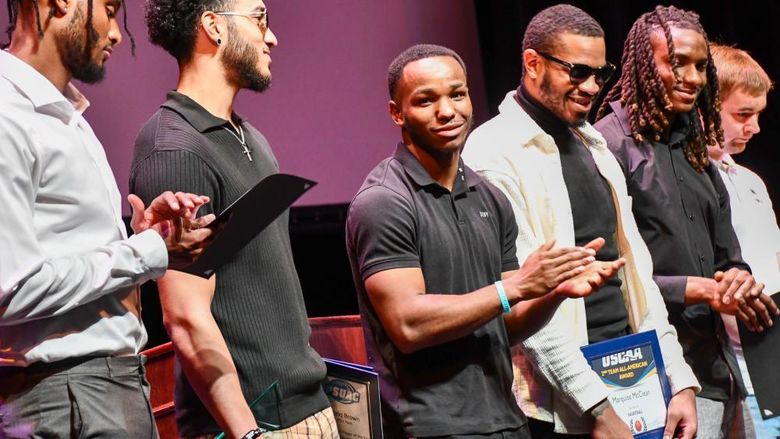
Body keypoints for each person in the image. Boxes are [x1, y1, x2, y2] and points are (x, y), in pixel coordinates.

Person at [346, 43, 623, 439]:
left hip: (506, 419)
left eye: (456, 95)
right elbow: (408, 325)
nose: (447, 111)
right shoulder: (384, 202)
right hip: (430, 427)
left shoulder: (488, 196)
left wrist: (553, 291)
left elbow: (506, 324)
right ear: (397, 113)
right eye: (426, 100)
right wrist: (517, 285)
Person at [463, 5, 699, 438]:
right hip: (558, 405)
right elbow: (526, 301)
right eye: (576, 72)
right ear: (532, 63)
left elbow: (637, 277)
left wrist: (677, 380)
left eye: (600, 73)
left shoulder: (593, 145)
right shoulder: (492, 153)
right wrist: (597, 407)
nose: (592, 86)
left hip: (635, 380)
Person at [0, 0, 214, 437]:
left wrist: (143, 237)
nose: (116, 33)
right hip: (67, 396)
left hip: (96, 389)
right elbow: (11, 289)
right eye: (110, 9)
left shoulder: (64, 115)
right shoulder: (8, 115)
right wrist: (147, 252)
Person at [132, 1, 336, 438]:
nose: (272, 36)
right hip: (253, 423)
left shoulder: (249, 137)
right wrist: (249, 434)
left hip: (306, 408)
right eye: (260, 18)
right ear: (213, 26)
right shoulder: (175, 149)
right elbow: (186, 318)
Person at [595, 5, 780, 438]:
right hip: (649, 377)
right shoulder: (606, 146)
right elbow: (603, 277)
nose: (693, 78)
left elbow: (729, 256)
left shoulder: (698, 152)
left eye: (700, 66)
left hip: (717, 368)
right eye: (677, 64)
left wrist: (738, 280)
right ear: (643, 63)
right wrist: (693, 288)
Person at [707, 43, 780, 438]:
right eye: (742, 115)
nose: (754, 127)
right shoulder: (692, 183)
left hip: (773, 355)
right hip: (734, 364)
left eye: (757, 115)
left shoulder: (750, 182)